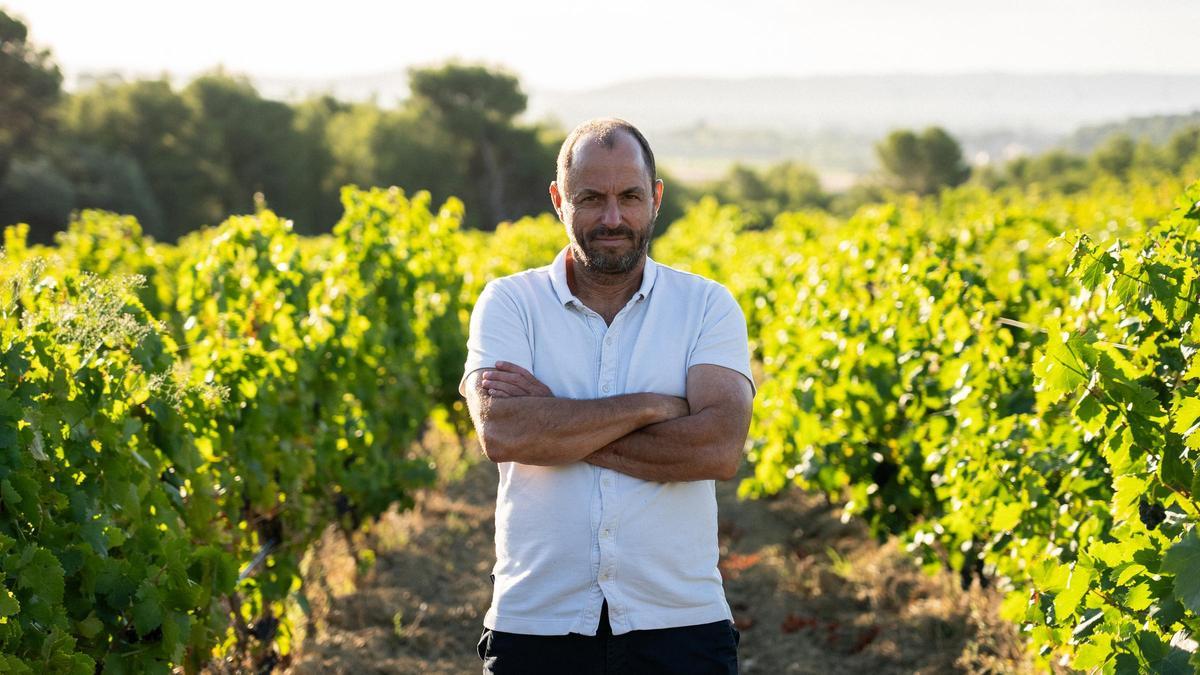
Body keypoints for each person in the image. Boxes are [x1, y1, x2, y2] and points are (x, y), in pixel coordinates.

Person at [460, 117, 755, 674]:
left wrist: (556, 428)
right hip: (537, 623)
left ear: (656, 198)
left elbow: (715, 450)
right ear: (558, 199)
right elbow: (502, 433)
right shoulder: (509, 304)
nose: (612, 218)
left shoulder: (707, 306)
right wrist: (652, 407)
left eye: (630, 197)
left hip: (681, 624)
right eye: (591, 198)